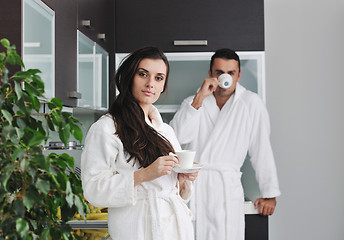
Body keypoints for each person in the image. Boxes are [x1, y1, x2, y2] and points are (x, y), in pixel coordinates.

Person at [81, 46, 199, 240]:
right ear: (129, 77)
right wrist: (144, 175)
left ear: (163, 86)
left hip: (175, 230)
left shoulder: (165, 130)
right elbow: (93, 190)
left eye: (159, 78)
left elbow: (173, 190)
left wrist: (182, 177)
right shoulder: (106, 128)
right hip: (136, 231)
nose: (150, 83)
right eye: (143, 74)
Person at [170, 48, 281, 240]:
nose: (225, 77)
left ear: (239, 75)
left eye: (231, 72)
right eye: (219, 72)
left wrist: (269, 193)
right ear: (210, 74)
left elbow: (261, 149)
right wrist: (199, 99)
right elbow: (175, 140)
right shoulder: (194, 102)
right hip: (196, 189)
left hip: (226, 189)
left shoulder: (251, 103)